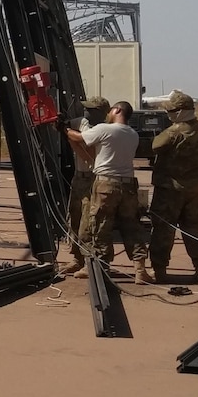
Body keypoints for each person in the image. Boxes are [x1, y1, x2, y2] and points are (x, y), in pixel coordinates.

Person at [65, 102, 149, 282]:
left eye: (112, 110)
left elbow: (78, 138)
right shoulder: (133, 134)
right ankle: (140, 269)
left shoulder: (105, 129)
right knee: (131, 226)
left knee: (100, 226)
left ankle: (100, 267)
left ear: (117, 110)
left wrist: (63, 129)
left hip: (106, 184)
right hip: (128, 184)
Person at [149, 91, 198, 284]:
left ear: (180, 111)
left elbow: (156, 145)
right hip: (193, 187)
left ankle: (159, 270)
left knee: (163, 229)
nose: (169, 114)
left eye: (172, 111)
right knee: (194, 228)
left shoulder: (174, 131)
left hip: (170, 187)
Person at [67, 96, 108, 239]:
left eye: (90, 109)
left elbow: (88, 155)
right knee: (74, 215)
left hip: (93, 179)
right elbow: (64, 126)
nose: (85, 110)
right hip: (79, 176)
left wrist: (70, 136)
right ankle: (76, 256)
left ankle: (87, 253)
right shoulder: (81, 123)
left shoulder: (104, 130)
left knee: (87, 220)